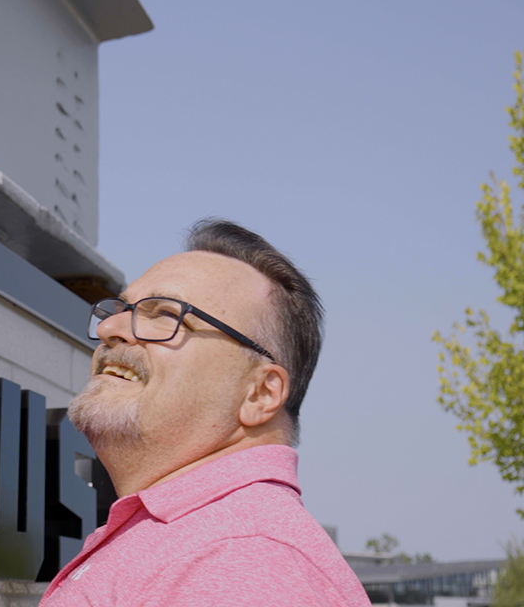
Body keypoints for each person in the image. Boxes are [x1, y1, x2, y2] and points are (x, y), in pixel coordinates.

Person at [42, 219, 369, 606]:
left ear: (260, 393)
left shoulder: (242, 559)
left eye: (165, 315)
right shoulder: (205, 542)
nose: (111, 327)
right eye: (120, 309)